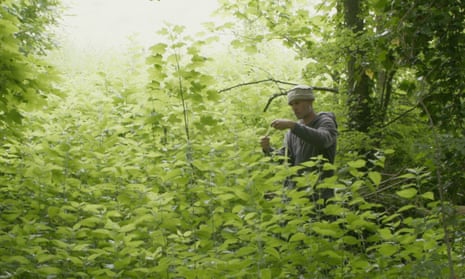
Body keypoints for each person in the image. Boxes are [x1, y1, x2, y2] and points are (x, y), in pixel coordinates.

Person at [260, 85, 338, 201]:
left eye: (297, 103)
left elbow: (323, 140)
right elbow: (286, 161)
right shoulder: (292, 132)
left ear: (310, 101)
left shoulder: (325, 122)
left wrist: (293, 125)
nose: (294, 108)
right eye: (291, 104)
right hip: (296, 196)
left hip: (320, 195)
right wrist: (268, 149)